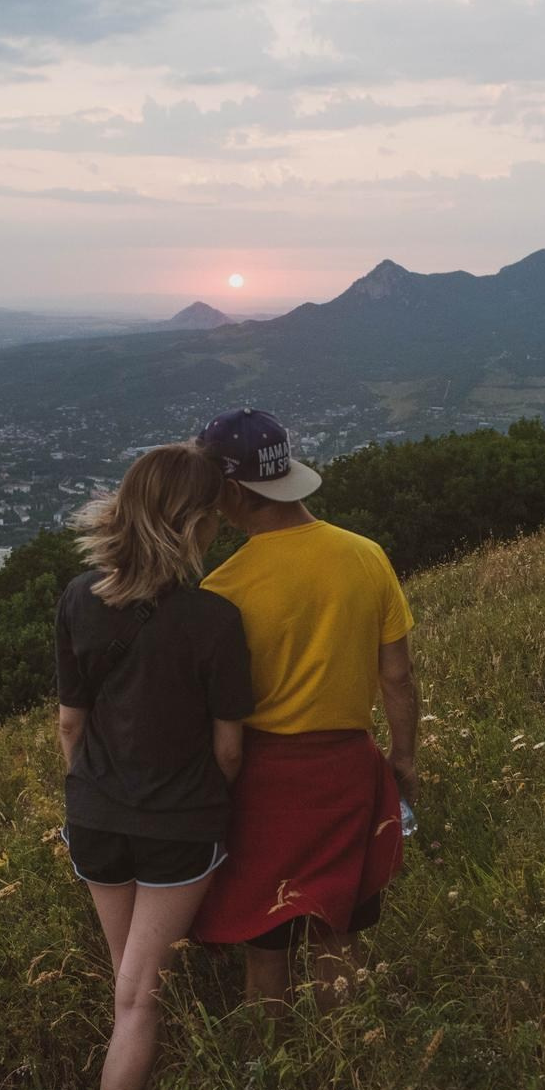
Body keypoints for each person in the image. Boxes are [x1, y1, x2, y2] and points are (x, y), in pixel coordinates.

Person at [53, 442, 254, 1090]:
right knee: (140, 997)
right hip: (178, 828)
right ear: (197, 522)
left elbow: (70, 723)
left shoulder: (78, 597)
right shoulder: (215, 620)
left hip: (96, 818)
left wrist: (97, 789)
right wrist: (206, 804)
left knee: (127, 989)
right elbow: (231, 749)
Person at [187, 408, 419, 1013]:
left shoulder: (222, 590)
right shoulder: (367, 557)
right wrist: (404, 758)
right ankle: (352, 1068)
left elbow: (214, 718)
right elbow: (398, 674)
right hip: (347, 776)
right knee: (337, 934)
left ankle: (277, 1075)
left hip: (263, 787)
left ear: (231, 491)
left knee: (265, 944)